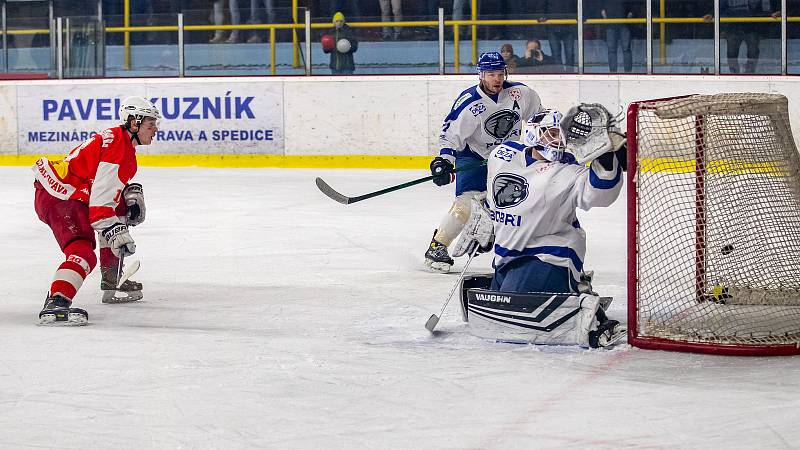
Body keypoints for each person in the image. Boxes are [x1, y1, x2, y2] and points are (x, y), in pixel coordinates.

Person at [454, 107, 627, 347]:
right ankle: (573, 287)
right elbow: (496, 189)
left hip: (548, 254)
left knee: (513, 320)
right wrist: (487, 215)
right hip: (506, 255)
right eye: (551, 133)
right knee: (498, 306)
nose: (558, 140)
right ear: (533, 134)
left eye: (560, 135)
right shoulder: (502, 154)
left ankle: (583, 302)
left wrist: (606, 158)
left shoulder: (568, 174)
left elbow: (602, 193)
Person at [32, 96, 160, 325]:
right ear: (134, 123)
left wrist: (124, 201)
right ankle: (57, 303)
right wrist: (117, 232)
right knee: (83, 252)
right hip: (62, 197)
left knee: (119, 207)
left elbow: (103, 191)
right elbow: (100, 208)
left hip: (69, 194)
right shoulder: (120, 151)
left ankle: (111, 277)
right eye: (151, 125)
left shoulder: (120, 142)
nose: (155, 130)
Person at [425, 51, 542, 272]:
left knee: (520, 201)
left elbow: (540, 120)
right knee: (468, 203)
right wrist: (444, 161)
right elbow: (450, 136)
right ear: (481, 75)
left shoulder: (523, 94)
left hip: (508, 157)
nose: (496, 79)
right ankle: (437, 246)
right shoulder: (470, 102)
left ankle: (519, 253)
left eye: (499, 73)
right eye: (490, 74)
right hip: (473, 156)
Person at [704, 0, 781, 74]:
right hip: (733, 27)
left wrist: (771, 13)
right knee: (732, 52)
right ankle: (734, 74)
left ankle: (749, 73)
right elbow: (720, 6)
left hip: (752, 27)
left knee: (753, 51)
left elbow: (765, 7)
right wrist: (712, 14)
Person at [537, 0, 577, 72]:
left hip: (568, 26)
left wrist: (579, 16)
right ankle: (560, 74)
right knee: (556, 54)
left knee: (569, 54)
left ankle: (570, 74)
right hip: (553, 27)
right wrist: (541, 15)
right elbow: (542, 5)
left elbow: (577, 5)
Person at [601, 1, 634, 73]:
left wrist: (631, 13)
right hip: (612, 24)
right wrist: (603, 13)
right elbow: (601, 6)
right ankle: (614, 73)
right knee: (613, 50)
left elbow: (632, 5)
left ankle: (627, 74)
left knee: (624, 49)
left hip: (623, 23)